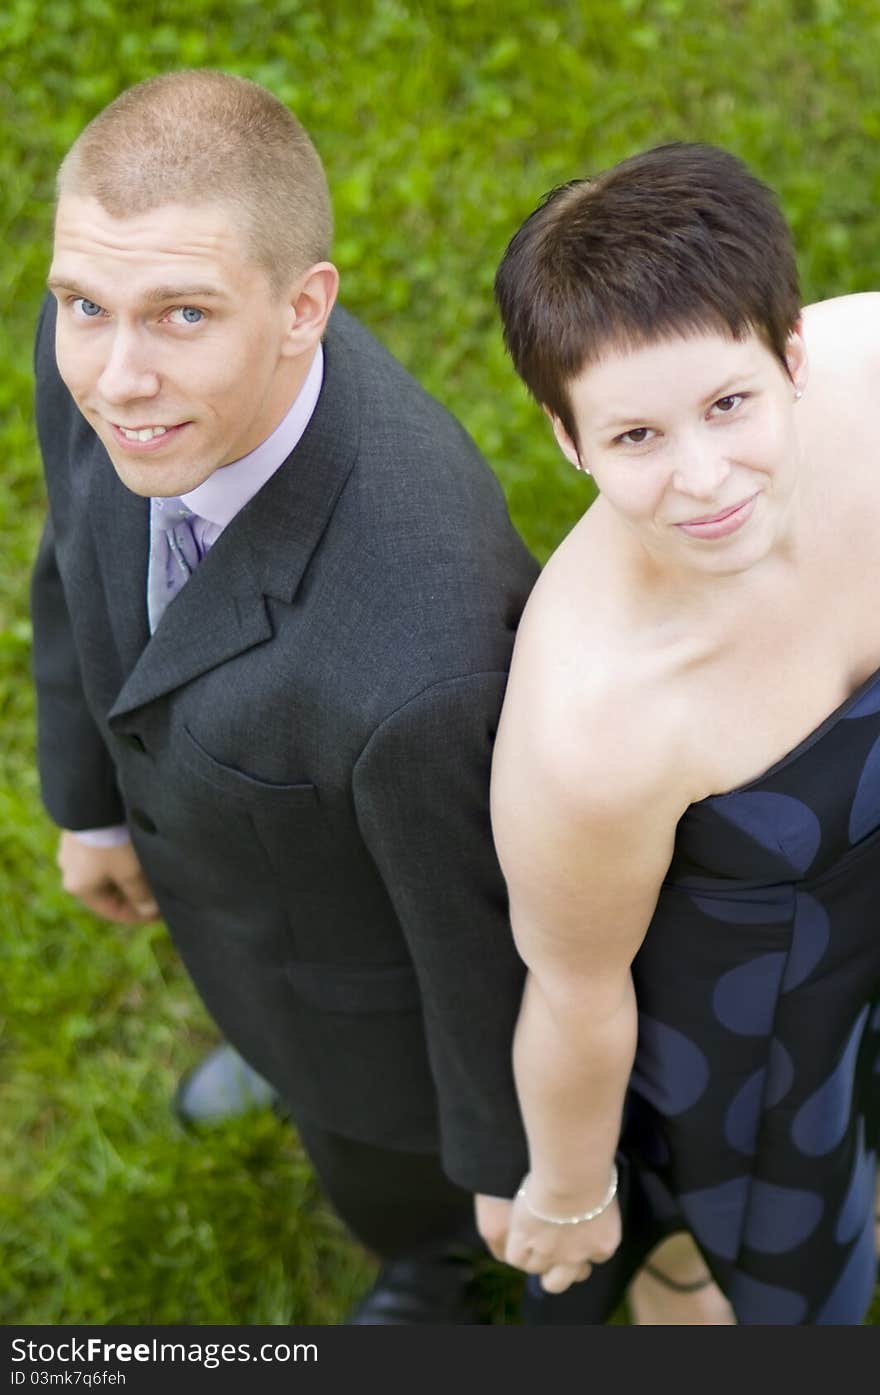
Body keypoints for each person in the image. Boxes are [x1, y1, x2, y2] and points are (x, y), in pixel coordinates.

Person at [29, 69, 541, 1324]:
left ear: (303, 307)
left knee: (379, 1151)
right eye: (83, 304)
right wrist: (89, 808)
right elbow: (72, 569)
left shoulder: (424, 659)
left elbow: (487, 956)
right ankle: (271, 1046)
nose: (116, 379)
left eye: (182, 315)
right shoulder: (108, 360)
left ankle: (427, 1258)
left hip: (375, 1017)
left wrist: (505, 1169)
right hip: (262, 905)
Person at [485, 142, 880, 1325]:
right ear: (567, 442)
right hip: (767, 1004)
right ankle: (679, 1270)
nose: (705, 479)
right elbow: (574, 991)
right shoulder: (593, 722)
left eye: (727, 404)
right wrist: (564, 1193)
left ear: (791, 353)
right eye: (636, 438)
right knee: (775, 1235)